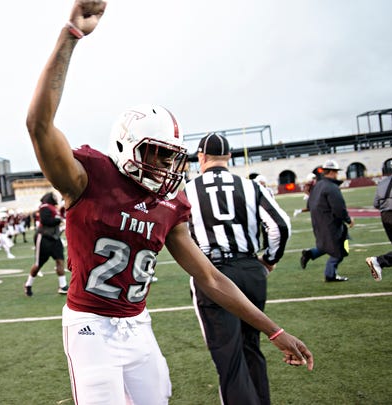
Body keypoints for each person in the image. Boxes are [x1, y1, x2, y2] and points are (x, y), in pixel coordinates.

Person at [25, 1, 312, 404]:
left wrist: (274, 330)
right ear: (127, 146)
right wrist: (70, 35)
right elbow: (39, 125)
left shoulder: (170, 204)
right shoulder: (87, 176)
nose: (165, 165)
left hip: (137, 324)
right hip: (90, 325)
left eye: (170, 155)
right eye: (156, 153)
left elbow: (211, 279)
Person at [186, 133, 291, 405]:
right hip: (249, 267)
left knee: (228, 357)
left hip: (213, 273)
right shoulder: (251, 186)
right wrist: (268, 260)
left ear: (201, 157)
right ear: (229, 157)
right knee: (250, 346)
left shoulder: (188, 190)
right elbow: (280, 226)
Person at [301, 160, 354, 281]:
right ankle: (330, 274)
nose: (337, 174)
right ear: (332, 172)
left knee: (330, 244)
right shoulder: (331, 187)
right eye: (336, 172)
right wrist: (348, 220)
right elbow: (339, 208)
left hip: (319, 223)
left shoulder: (317, 186)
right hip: (331, 223)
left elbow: (309, 205)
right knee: (340, 249)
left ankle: (311, 253)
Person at [23, 192, 68, 297]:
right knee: (38, 264)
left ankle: (63, 285)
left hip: (54, 238)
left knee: (60, 260)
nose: (56, 198)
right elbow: (46, 220)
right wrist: (58, 220)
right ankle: (28, 284)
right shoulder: (45, 207)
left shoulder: (53, 207)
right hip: (44, 238)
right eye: (54, 197)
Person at [366, 159, 392, 281]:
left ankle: (379, 261)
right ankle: (379, 261)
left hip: (385, 217)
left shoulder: (382, 183)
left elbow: (376, 204)